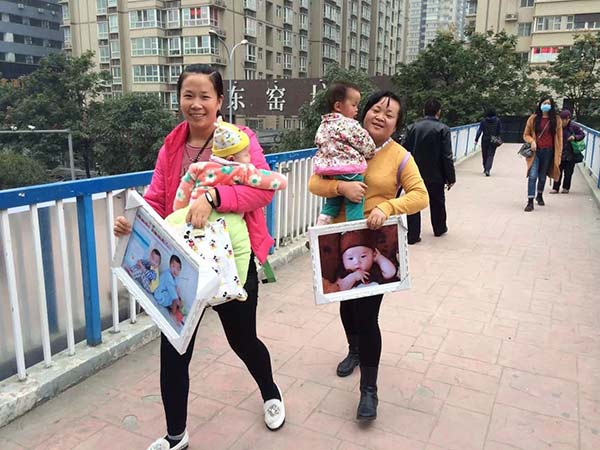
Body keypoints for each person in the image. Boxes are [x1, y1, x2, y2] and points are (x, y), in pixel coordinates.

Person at [114, 64, 285, 450]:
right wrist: (131, 223)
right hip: (182, 264)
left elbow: (262, 189)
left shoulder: (239, 139)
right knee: (174, 348)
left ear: (220, 100)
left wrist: (214, 197)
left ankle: (270, 392)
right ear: (178, 101)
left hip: (231, 261)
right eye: (188, 96)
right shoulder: (172, 145)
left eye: (205, 96)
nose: (196, 104)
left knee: (243, 341)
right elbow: (157, 199)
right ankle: (177, 435)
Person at [309, 91, 428, 421]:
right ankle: (354, 350)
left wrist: (389, 206)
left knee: (368, 314)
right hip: (338, 241)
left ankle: (369, 391)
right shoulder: (341, 144)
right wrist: (340, 189)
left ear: (396, 124)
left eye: (389, 114)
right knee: (347, 305)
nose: (380, 116)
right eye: (376, 109)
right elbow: (314, 183)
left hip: (374, 243)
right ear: (362, 114)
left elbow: (420, 196)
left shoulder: (400, 156)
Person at [169, 117, 287, 285]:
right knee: (241, 250)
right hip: (226, 221)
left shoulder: (199, 167)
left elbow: (182, 194)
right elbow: (275, 182)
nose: (249, 158)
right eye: (246, 154)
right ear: (232, 159)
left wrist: (180, 213)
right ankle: (236, 284)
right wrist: (280, 178)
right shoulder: (241, 171)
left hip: (194, 219)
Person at [313, 81, 376, 225]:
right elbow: (366, 145)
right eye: (354, 105)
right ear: (338, 106)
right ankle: (354, 228)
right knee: (355, 199)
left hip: (329, 171)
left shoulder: (324, 124)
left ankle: (322, 225)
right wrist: (370, 153)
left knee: (332, 202)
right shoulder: (349, 124)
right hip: (349, 170)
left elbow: (319, 143)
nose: (357, 110)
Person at [403, 98, 455, 244]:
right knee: (437, 201)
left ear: (423, 111)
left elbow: (403, 151)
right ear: (439, 112)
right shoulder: (443, 129)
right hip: (436, 174)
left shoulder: (412, 127)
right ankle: (439, 229)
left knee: (413, 202)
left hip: (413, 173)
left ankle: (412, 235)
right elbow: (447, 155)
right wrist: (450, 177)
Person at [522, 96, 563, 212]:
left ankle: (539, 194)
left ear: (552, 106)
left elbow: (559, 138)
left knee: (542, 176)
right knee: (532, 175)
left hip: (549, 151)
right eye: (544, 103)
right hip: (535, 152)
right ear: (540, 105)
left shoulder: (557, 120)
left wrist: (558, 155)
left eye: (548, 103)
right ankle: (530, 201)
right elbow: (526, 134)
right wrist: (532, 141)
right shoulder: (533, 119)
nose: (546, 105)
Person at [550, 109, 585, 194]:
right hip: (560, 152)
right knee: (558, 171)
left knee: (568, 172)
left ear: (568, 119)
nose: (562, 121)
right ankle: (555, 188)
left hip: (570, 153)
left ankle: (566, 187)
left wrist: (574, 137)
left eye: (563, 119)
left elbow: (582, 134)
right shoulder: (557, 127)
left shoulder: (574, 127)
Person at [153, 255, 185, 327]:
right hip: (160, 295)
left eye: (178, 268)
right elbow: (172, 291)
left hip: (163, 293)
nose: (175, 270)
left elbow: (175, 288)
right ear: (170, 266)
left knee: (177, 292)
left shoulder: (173, 277)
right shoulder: (168, 276)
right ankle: (173, 314)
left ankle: (173, 308)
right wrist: (178, 302)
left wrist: (178, 297)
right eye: (173, 266)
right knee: (174, 298)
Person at [474, 107, 502, 176]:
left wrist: (476, 139)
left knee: (485, 154)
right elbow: (500, 131)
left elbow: (479, 131)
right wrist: (498, 137)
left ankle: (485, 167)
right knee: (491, 155)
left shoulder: (483, 121)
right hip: (493, 139)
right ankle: (488, 169)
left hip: (485, 139)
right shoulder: (497, 120)